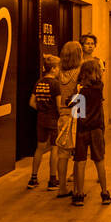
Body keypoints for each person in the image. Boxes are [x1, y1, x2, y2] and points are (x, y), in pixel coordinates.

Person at [71, 58, 110, 207]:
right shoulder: (99, 88)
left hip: (82, 130)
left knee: (80, 162)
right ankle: (105, 193)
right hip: (97, 130)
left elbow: (76, 113)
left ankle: (79, 194)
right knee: (100, 161)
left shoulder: (81, 91)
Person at [52, 41, 84, 197]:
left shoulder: (59, 73)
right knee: (79, 153)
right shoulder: (80, 72)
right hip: (76, 115)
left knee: (62, 153)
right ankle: (78, 188)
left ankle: (62, 186)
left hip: (62, 115)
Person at [27, 54, 61, 190]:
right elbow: (58, 105)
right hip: (53, 119)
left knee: (39, 148)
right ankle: (52, 179)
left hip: (41, 118)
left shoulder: (39, 82)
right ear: (53, 69)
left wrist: (42, 109)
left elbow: (31, 102)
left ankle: (33, 178)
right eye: (58, 68)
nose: (59, 70)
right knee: (55, 148)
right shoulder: (55, 84)